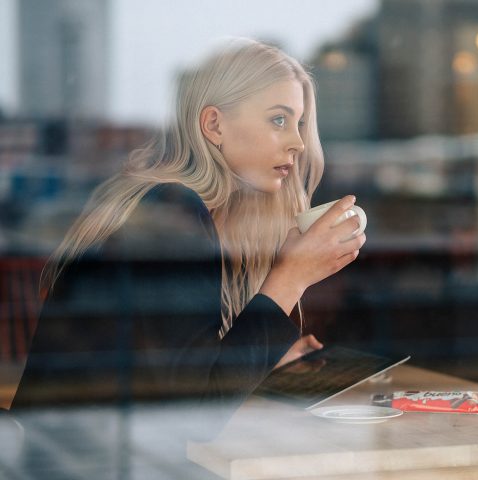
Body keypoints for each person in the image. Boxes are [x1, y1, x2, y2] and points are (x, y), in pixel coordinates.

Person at [9, 37, 366, 450]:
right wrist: (290, 278)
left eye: (299, 124)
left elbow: (178, 378)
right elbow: (194, 413)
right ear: (213, 125)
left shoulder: (167, 206)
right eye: (279, 120)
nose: (298, 143)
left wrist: (262, 360)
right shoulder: (165, 225)